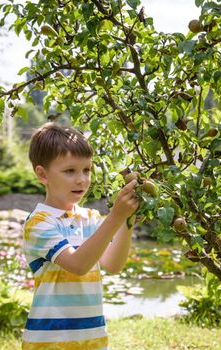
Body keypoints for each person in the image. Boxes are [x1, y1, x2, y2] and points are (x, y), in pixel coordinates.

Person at [22, 122, 139, 350]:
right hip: (50, 341)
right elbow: (78, 264)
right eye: (70, 171)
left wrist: (128, 218)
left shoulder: (90, 218)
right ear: (42, 174)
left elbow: (112, 265)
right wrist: (115, 216)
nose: (82, 179)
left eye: (86, 170)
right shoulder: (39, 222)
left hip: (92, 338)